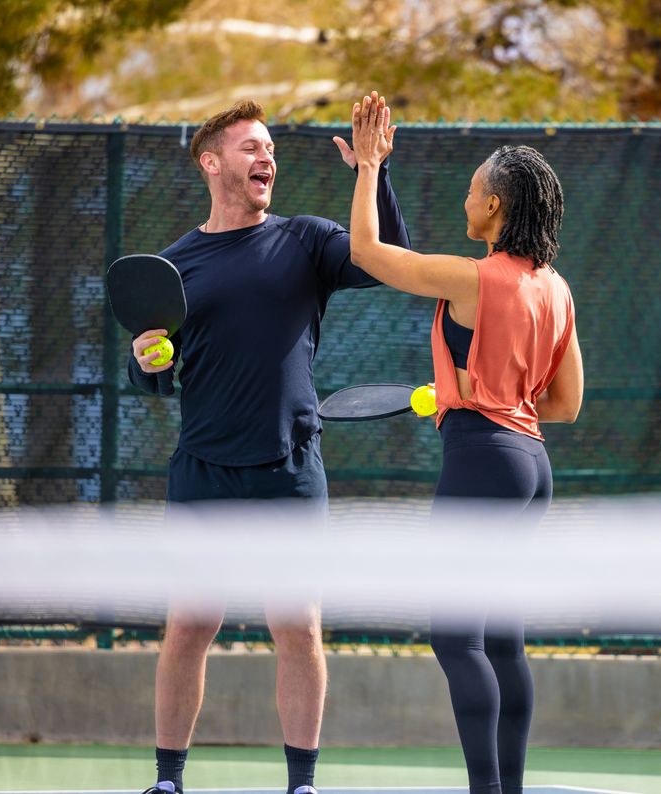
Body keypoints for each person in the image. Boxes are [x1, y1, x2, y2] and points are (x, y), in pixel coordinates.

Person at [128, 97, 412, 794]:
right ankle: (168, 782)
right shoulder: (173, 267)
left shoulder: (308, 241)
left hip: (289, 468)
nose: (267, 158)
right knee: (190, 626)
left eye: (270, 149)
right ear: (211, 161)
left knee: (298, 628)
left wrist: (372, 172)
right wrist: (145, 361)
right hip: (203, 471)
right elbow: (152, 380)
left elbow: (387, 260)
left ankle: (302, 785)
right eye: (251, 147)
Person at [346, 94, 583, 794]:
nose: (466, 198)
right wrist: (473, 389)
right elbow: (565, 406)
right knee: (503, 640)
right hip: (531, 468)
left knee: (457, 638)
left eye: (474, 191)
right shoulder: (558, 289)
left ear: (497, 209)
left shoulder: (471, 276)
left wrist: (368, 167)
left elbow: (366, 252)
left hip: (484, 461)